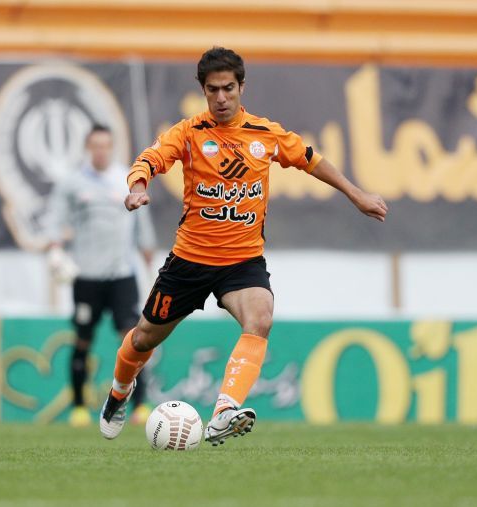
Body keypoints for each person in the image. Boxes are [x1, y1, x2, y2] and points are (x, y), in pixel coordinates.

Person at [99, 47, 388, 445]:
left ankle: (224, 411)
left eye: (228, 88)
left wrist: (356, 194)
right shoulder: (189, 133)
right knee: (143, 337)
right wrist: (137, 187)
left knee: (261, 317)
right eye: (213, 90)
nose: (221, 98)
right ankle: (119, 392)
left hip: (241, 261)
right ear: (203, 90)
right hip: (189, 261)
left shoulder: (264, 134)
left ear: (241, 87)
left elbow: (310, 159)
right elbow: (150, 158)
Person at [47, 124, 156, 428]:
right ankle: (79, 408)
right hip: (87, 276)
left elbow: (142, 220)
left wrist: (148, 252)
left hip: (121, 275)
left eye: (105, 145)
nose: (101, 151)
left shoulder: (127, 179)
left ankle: (140, 405)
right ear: (88, 148)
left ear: (112, 147)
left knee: (135, 340)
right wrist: (55, 248)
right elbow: (56, 218)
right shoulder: (72, 184)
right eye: (95, 145)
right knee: (82, 340)